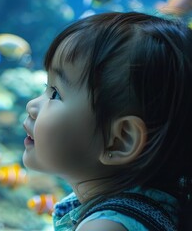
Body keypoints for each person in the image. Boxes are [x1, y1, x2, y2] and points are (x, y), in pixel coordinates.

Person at [23, 12, 192, 231]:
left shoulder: (106, 226)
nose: (32, 106)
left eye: (55, 94)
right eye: (45, 87)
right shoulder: (157, 206)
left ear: (120, 140)